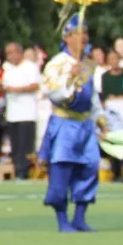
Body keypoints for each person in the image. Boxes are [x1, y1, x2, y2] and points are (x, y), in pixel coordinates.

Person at [40, 15, 102, 232]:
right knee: (61, 170)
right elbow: (55, 94)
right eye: (78, 33)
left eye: (85, 32)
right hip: (65, 124)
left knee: (89, 167)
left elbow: (93, 95)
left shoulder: (89, 64)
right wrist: (69, 78)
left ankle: (80, 217)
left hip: (85, 125)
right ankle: (62, 220)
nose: (83, 37)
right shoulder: (56, 64)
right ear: (67, 37)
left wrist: (101, 118)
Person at [2, 42, 42, 179]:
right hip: (12, 113)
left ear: (20, 52)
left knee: (25, 145)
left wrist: (17, 90)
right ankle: (15, 168)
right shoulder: (7, 69)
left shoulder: (30, 67)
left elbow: (35, 85)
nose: (11, 56)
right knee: (15, 145)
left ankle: (23, 171)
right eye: (8, 53)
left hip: (27, 113)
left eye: (13, 52)